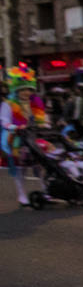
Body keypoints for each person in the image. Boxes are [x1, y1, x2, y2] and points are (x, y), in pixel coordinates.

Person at [2, 64, 45, 206]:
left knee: (40, 165)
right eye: (23, 89)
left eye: (28, 89)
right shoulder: (8, 104)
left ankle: (46, 190)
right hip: (17, 139)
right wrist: (14, 127)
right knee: (21, 167)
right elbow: (4, 121)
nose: (26, 92)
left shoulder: (36, 103)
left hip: (35, 136)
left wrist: (44, 124)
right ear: (16, 89)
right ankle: (21, 194)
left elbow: (42, 118)